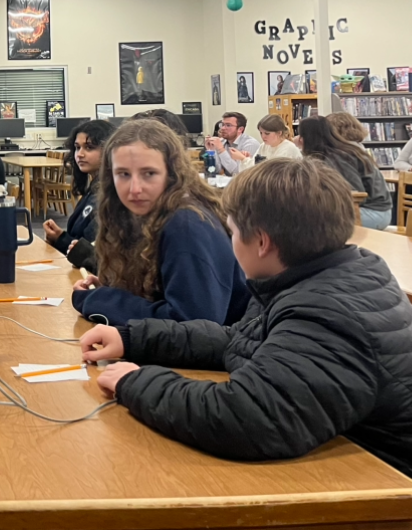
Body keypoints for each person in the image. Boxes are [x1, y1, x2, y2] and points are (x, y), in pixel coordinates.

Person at [81, 157, 412, 476]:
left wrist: (134, 382)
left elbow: (247, 418)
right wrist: (132, 338)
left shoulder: (326, 313)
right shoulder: (315, 276)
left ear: (263, 242)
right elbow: (240, 341)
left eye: (233, 233)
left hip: (384, 487)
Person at [73, 120, 249, 326]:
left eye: (149, 174)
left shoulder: (187, 224)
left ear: (172, 173)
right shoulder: (139, 215)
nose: (135, 188)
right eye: (123, 174)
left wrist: (103, 301)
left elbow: (192, 326)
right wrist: (117, 288)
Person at [43, 119, 115, 274]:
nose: (80, 154)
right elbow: (81, 245)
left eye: (89, 148)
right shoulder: (94, 187)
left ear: (109, 149)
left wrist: (63, 239)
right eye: (77, 148)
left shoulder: (110, 194)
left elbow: (92, 249)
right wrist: (60, 237)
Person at [298, 116, 391, 230]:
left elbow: (355, 195)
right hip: (365, 209)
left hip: (373, 211)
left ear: (304, 139)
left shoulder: (339, 157)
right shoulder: (333, 152)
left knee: (309, 221)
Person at [205, 112, 260, 176]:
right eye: (222, 124)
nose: (222, 128)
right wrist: (211, 151)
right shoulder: (222, 142)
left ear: (240, 129)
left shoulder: (250, 144)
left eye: (228, 125)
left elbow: (238, 172)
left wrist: (221, 150)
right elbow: (217, 170)